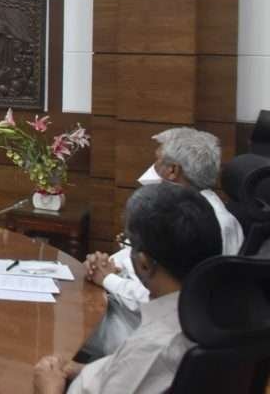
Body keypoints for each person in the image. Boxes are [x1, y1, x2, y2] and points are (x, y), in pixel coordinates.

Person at [33, 183, 222, 394]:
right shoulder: (221, 314)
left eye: (128, 243)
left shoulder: (150, 347)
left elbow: (136, 370)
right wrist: (83, 370)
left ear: (144, 264)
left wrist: (48, 388)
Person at [78, 127, 243, 357]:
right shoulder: (191, 209)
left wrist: (108, 279)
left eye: (157, 160)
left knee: (72, 323)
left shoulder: (203, 225)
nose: (152, 167)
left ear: (173, 170)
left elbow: (173, 300)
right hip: (133, 301)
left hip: (156, 331)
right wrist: (108, 267)